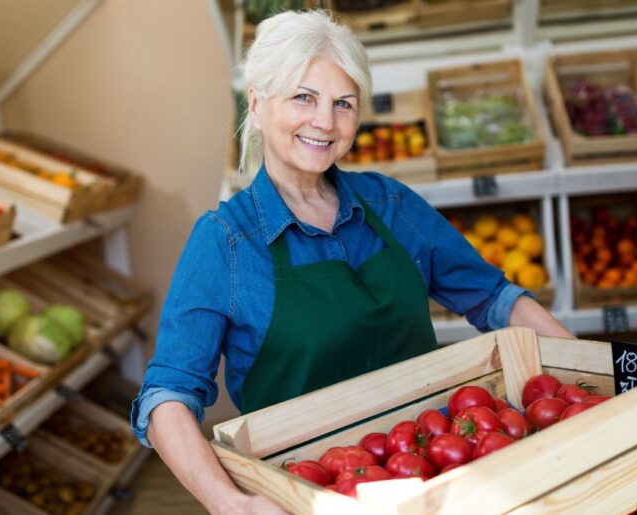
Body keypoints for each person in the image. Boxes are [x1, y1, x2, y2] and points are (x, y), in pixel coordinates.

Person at [131, 9, 573, 514]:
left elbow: (494, 298)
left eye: (344, 103)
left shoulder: (388, 204)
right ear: (256, 105)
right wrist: (231, 503)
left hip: (430, 467)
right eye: (304, 97)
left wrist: (587, 371)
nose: (325, 122)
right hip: (306, 490)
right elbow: (167, 397)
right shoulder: (226, 243)